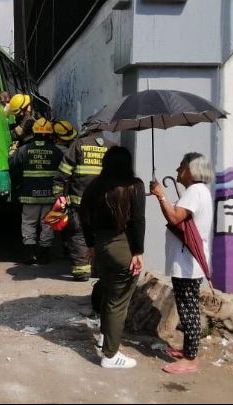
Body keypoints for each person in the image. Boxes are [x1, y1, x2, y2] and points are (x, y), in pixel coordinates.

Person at [80, 146, 145, 369]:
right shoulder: (134, 186)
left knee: (108, 294)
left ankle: (104, 338)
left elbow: (84, 217)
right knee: (118, 302)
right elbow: (138, 221)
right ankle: (110, 355)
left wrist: (90, 245)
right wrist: (138, 252)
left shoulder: (95, 186)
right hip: (123, 247)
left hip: (102, 245)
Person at [149, 152, 214, 375]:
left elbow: (175, 217)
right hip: (188, 261)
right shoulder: (198, 191)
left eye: (181, 166)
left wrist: (160, 195)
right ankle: (189, 351)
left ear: (190, 170)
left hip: (188, 263)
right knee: (188, 308)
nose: (177, 170)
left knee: (188, 311)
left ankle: (190, 360)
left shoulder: (196, 191)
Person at [53, 128, 115, 281]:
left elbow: (63, 172)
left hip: (80, 204)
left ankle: (81, 271)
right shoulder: (111, 146)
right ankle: (99, 271)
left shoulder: (78, 145)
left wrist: (59, 197)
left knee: (79, 235)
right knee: (102, 235)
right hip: (105, 204)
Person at [9, 117, 64, 264]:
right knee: (47, 224)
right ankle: (44, 255)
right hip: (49, 196)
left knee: (28, 223)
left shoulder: (24, 149)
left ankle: (29, 254)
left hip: (29, 195)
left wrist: (12, 150)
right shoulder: (56, 151)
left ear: (34, 133)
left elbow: (12, 163)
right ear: (49, 133)